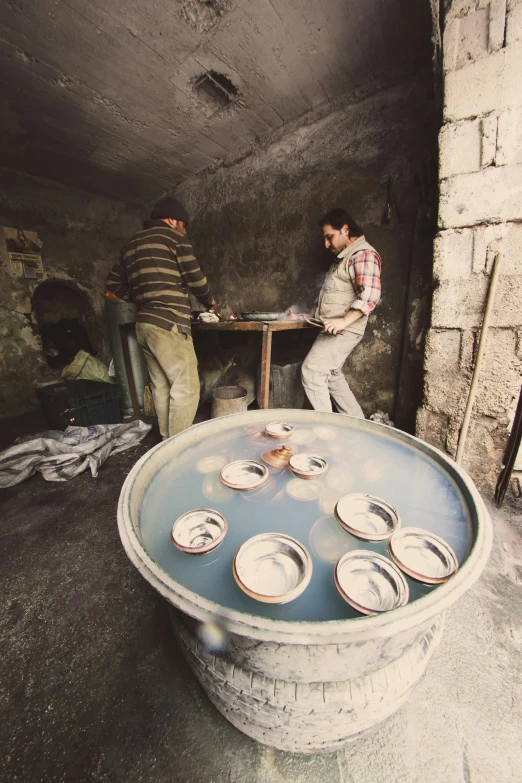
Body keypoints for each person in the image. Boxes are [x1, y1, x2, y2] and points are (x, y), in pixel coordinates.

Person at [106, 196, 217, 438]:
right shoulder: (174, 238)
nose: (185, 231)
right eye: (183, 225)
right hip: (169, 323)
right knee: (186, 387)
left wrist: (140, 298)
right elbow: (196, 279)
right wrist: (211, 302)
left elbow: (113, 283)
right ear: (171, 220)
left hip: (144, 325)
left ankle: (166, 444)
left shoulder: (130, 245)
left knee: (162, 387)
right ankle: (177, 451)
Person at [301, 207, 381, 418]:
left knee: (312, 371)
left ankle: (326, 432)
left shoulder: (363, 254)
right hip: (336, 328)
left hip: (345, 329)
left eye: (330, 237)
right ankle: (358, 425)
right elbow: (334, 295)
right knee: (333, 374)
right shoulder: (343, 258)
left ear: (345, 229)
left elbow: (370, 295)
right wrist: (308, 314)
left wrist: (344, 321)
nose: (327, 244)